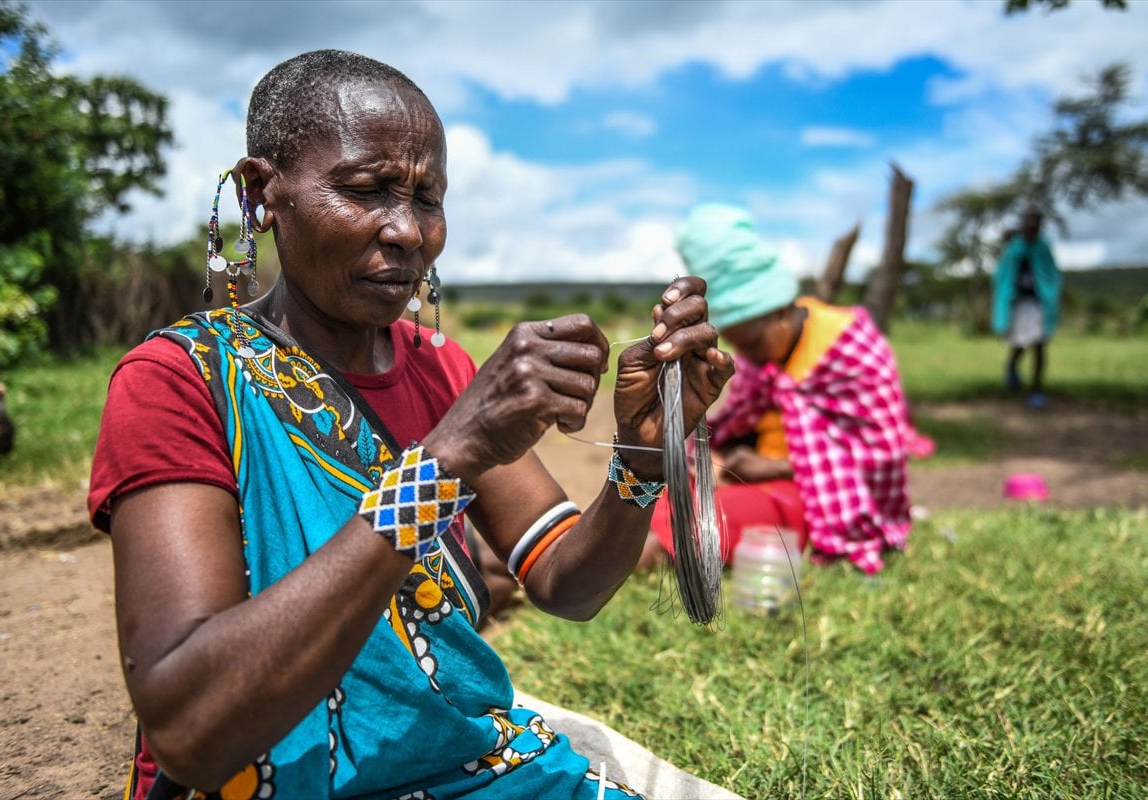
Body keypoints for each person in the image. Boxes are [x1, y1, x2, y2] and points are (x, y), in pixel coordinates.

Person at [87, 51, 738, 800]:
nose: (407, 231)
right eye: (366, 190)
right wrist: (444, 461)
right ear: (262, 194)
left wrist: (640, 461)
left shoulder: (438, 368)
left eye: (427, 198)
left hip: (458, 767)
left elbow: (566, 584)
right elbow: (189, 730)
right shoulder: (178, 381)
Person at [643, 203, 912, 576]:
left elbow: (882, 457)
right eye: (739, 346)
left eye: (752, 343)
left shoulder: (852, 348)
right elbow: (740, 422)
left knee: (682, 528)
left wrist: (772, 467)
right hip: (747, 477)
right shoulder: (762, 359)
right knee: (656, 494)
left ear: (781, 312)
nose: (748, 357)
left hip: (814, 497)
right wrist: (719, 458)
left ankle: (614, 562)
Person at [992, 209, 1062, 410]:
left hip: (1037, 304)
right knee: (1019, 344)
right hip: (1017, 303)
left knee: (1039, 345)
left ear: (1039, 226)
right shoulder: (1014, 247)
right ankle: (1012, 368)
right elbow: (1003, 275)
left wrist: (1050, 294)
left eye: (1035, 224)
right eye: (1027, 223)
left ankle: (1036, 390)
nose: (1031, 227)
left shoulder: (1043, 247)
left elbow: (1051, 274)